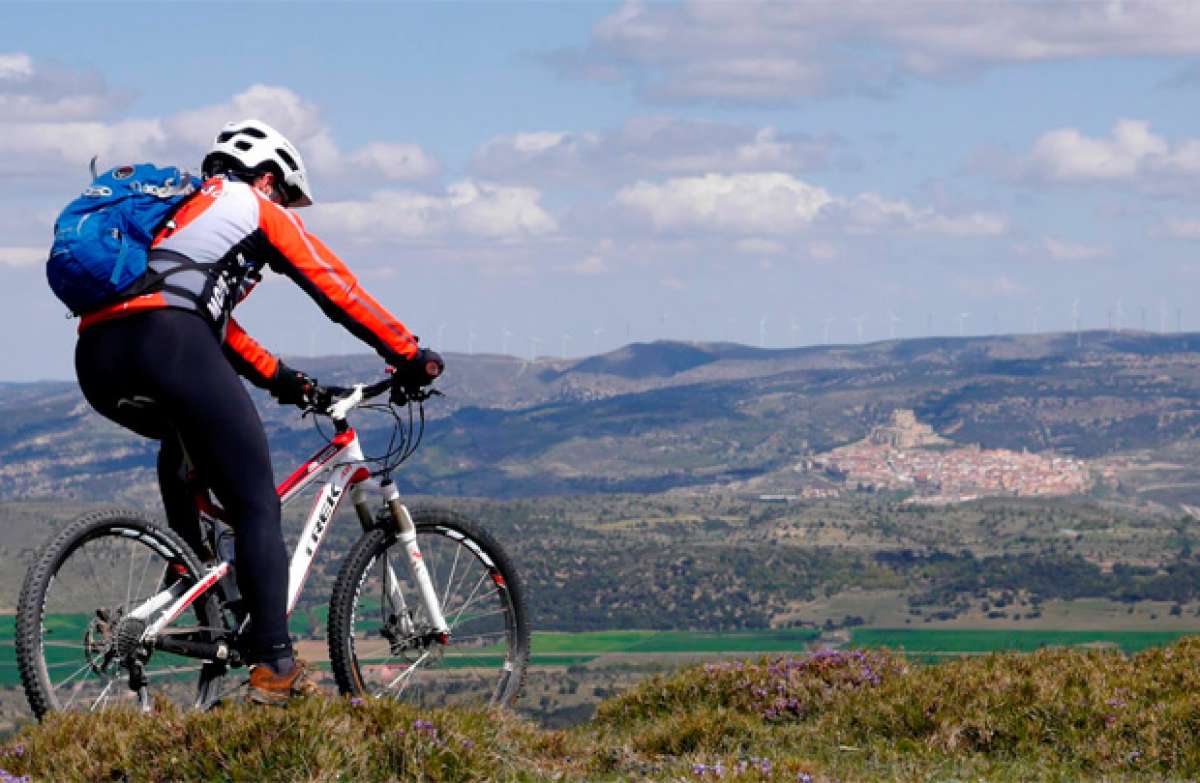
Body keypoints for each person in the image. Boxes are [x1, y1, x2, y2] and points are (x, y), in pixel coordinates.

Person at [72, 118, 443, 705]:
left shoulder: (178, 217)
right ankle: (274, 664)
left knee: (186, 439)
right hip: (168, 343)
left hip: (97, 354)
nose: (289, 209)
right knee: (255, 504)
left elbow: (217, 327)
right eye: (289, 197)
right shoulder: (251, 204)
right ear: (269, 177)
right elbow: (334, 287)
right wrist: (409, 353)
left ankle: (194, 584)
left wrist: (286, 381)